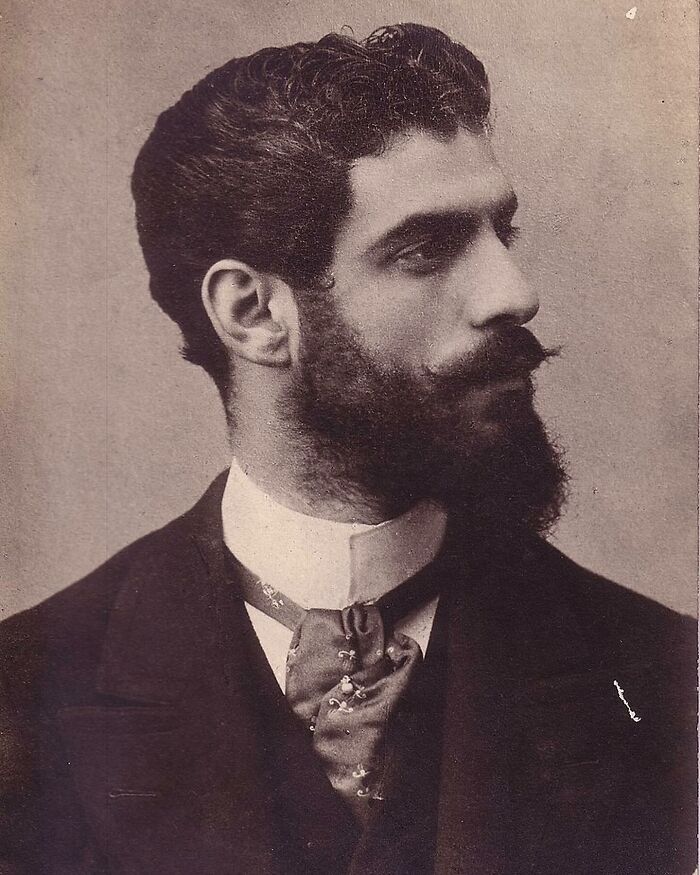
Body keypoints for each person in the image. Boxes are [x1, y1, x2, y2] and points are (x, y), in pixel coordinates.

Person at [0, 23, 695, 875]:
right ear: (253, 314)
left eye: (500, 234)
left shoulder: (665, 678)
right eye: (425, 249)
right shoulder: (25, 692)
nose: (515, 294)